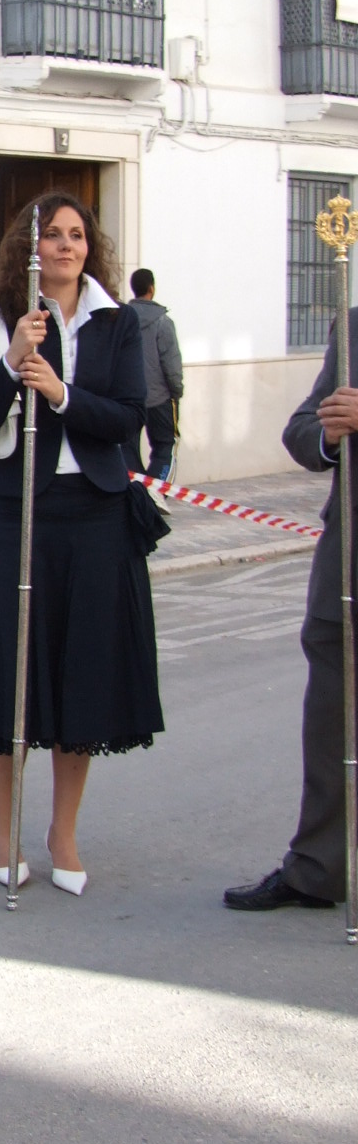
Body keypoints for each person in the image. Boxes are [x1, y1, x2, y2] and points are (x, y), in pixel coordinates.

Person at [0, 195, 162, 897]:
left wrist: (65, 394)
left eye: (77, 235)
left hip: (98, 514)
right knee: (14, 673)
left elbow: (132, 417)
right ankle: (4, 827)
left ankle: (63, 831)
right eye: (53, 234)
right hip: (22, 516)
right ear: (29, 246)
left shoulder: (118, 321)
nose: (67, 245)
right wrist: (14, 362)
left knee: (81, 676)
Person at [223, 310, 358, 913]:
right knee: (330, 723)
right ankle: (317, 869)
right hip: (346, 558)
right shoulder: (351, 326)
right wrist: (329, 434)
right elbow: (302, 428)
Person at [127, 269, 183, 480]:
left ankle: (137, 492)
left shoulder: (123, 319)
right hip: (160, 398)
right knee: (164, 446)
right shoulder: (164, 323)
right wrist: (177, 392)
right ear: (152, 288)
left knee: (127, 449)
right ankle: (154, 492)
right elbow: (172, 365)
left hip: (129, 397)